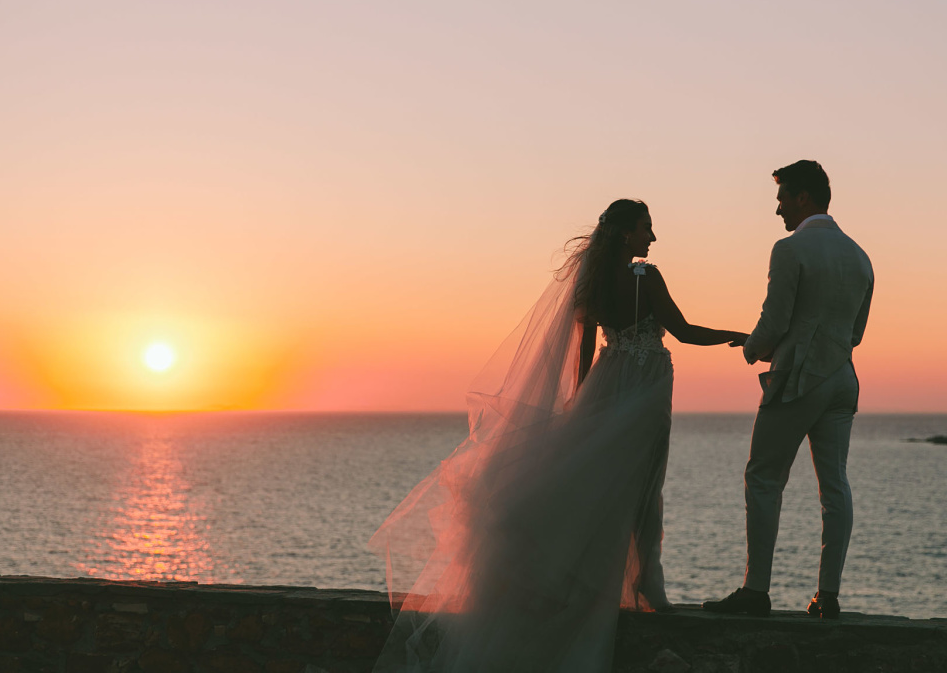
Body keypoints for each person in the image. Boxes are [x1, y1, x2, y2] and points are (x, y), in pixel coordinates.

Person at [369, 199, 747, 673]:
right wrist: (739, 336)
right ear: (627, 234)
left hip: (607, 385)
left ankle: (599, 582)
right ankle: (647, 586)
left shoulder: (592, 282)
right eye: (646, 229)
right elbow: (684, 331)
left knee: (599, 489)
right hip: (646, 387)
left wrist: (582, 406)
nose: (652, 238)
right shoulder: (643, 276)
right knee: (643, 489)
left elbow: (586, 351)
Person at [704, 160, 874, 620]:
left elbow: (776, 320)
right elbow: (857, 331)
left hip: (799, 378)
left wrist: (752, 348)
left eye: (782, 199)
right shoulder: (861, 257)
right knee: (835, 486)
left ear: (803, 197)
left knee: (763, 478)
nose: (778, 210)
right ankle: (829, 596)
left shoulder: (789, 248)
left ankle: (756, 591)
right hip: (842, 378)